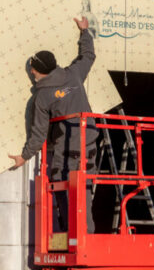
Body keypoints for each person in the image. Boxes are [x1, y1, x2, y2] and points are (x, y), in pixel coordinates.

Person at [9, 17, 98, 233]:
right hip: (90, 143)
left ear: (37, 70)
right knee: (84, 194)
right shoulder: (73, 74)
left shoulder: (43, 96)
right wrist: (84, 32)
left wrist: (24, 156)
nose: (31, 72)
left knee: (63, 190)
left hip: (67, 150)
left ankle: (77, 241)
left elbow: (38, 134)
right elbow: (88, 56)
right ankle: (86, 238)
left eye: (32, 68)